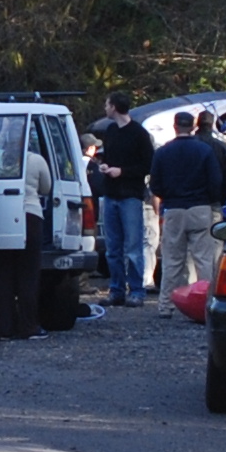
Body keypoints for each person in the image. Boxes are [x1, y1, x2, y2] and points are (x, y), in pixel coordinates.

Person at [151, 111, 226, 300]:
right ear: (193, 127)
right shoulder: (204, 151)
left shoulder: (163, 152)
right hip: (200, 207)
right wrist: (211, 198)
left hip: (174, 208)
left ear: (175, 126)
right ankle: (206, 301)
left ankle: (166, 304)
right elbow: (216, 181)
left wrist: (169, 196)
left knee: (172, 261)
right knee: (204, 259)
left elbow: (155, 185)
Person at [88, 95, 156, 305]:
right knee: (112, 248)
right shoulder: (110, 131)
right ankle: (116, 289)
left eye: (107, 104)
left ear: (115, 107)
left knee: (134, 247)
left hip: (130, 195)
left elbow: (148, 164)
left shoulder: (139, 134)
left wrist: (123, 172)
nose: (105, 108)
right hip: (111, 194)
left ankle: (137, 290)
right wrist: (105, 166)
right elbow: (108, 156)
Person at [0, 123, 55, 339]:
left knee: (3, 276)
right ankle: (29, 326)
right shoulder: (36, 160)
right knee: (28, 275)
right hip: (30, 216)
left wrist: (2, 132)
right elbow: (46, 187)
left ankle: (4, 328)